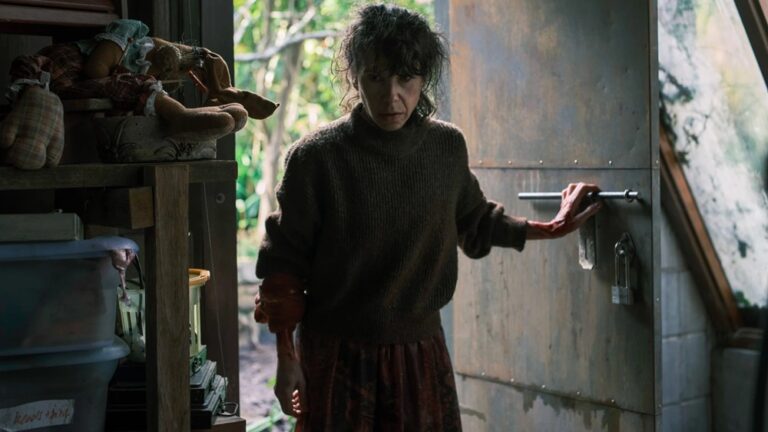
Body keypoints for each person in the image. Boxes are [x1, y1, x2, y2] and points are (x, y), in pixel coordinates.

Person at [253, 4, 602, 431]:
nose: (391, 95)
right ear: (355, 77)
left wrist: (552, 227)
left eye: (406, 78)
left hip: (419, 355)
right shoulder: (316, 158)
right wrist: (286, 360)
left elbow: (475, 221)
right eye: (376, 77)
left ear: (423, 79)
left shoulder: (445, 148)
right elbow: (283, 267)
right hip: (336, 356)